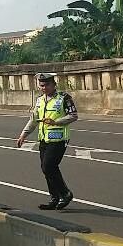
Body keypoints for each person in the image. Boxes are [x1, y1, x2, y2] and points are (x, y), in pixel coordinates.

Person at [16, 72, 78, 210]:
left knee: (48, 166)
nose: (44, 88)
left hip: (59, 139)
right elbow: (33, 120)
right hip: (44, 139)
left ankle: (65, 193)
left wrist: (56, 122)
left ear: (54, 84)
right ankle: (55, 198)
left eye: (47, 85)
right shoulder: (39, 100)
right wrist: (23, 135)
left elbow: (73, 116)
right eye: (42, 85)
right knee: (46, 169)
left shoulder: (64, 98)